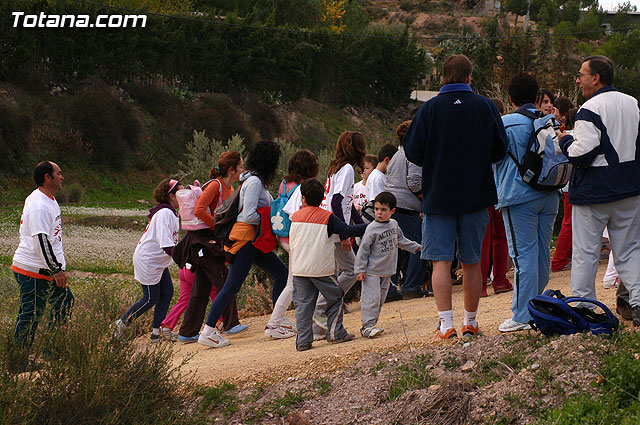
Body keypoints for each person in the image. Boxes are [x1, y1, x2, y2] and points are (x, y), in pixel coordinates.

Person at [403, 54, 507, 339]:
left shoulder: (430, 109)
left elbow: (412, 151)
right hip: (476, 195)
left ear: (442, 77)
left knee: (440, 261)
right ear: (470, 77)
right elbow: (500, 150)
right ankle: (470, 322)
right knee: (472, 261)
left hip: (438, 196)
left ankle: (446, 324)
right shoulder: (486, 107)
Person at [559, 55, 640, 327]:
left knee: (586, 252)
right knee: (629, 250)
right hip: (629, 188)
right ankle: (638, 303)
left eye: (581, 74)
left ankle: (583, 308)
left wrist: (565, 139)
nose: (578, 78)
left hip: (594, 191)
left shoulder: (589, 109)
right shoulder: (633, 104)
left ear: (596, 78)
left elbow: (581, 154)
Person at [198, 141, 289, 348]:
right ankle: (209, 330)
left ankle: (277, 321)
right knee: (232, 286)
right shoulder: (255, 182)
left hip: (252, 241)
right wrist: (267, 219)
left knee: (282, 274)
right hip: (247, 240)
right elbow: (248, 215)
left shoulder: (252, 180)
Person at [493, 74, 559, 332]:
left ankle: (522, 316)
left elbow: (493, 159)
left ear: (510, 99)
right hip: (550, 194)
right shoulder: (548, 120)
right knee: (542, 254)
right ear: (536, 97)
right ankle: (537, 306)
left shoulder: (505, 124)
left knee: (523, 257)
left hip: (518, 196)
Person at [168, 151, 246, 343]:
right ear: (231, 169)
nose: (243, 170)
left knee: (201, 288)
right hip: (202, 242)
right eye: (241, 167)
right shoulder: (215, 186)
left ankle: (187, 332)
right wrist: (218, 228)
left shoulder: (229, 187)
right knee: (224, 279)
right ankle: (231, 324)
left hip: (206, 242)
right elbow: (199, 210)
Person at [289, 178, 367, 351]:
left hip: (299, 268)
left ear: (303, 199)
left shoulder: (296, 216)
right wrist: (369, 226)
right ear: (323, 197)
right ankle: (335, 333)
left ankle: (303, 341)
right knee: (335, 296)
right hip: (321, 269)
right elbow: (347, 231)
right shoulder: (327, 217)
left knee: (303, 306)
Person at [12, 161, 74, 348]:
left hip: (44, 268)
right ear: (48, 177)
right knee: (31, 314)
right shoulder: (39, 205)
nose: (62, 177)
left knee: (65, 302)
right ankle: (19, 359)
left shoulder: (48, 200)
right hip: (33, 269)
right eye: (59, 173)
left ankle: (51, 352)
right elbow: (41, 240)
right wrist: (56, 269)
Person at [313, 131, 367, 338]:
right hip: (335, 229)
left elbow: (347, 202)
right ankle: (320, 311)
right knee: (352, 270)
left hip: (328, 226)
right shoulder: (345, 170)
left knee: (332, 274)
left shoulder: (335, 168)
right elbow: (336, 202)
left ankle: (318, 325)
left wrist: (361, 224)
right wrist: (344, 233)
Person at [114, 178, 182, 341]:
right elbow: (166, 245)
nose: (184, 195)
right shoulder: (164, 213)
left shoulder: (172, 212)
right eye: (180, 192)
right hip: (148, 260)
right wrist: (184, 259)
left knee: (167, 292)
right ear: (171, 196)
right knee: (151, 298)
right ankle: (121, 323)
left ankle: (156, 332)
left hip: (157, 260)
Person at [265, 149, 319, 339]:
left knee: (295, 281)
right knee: (293, 284)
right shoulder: (303, 188)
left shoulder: (285, 183)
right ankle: (273, 324)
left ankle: (281, 321)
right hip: (296, 238)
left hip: (283, 237)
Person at [354, 192, 421, 338]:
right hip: (371, 272)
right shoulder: (371, 229)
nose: (379, 213)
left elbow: (401, 240)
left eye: (383, 210)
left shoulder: (394, 224)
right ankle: (367, 326)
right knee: (370, 299)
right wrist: (360, 270)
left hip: (387, 271)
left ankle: (372, 324)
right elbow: (363, 250)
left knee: (379, 300)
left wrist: (416, 247)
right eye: (377, 209)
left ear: (392, 211)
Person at [384, 120, 427, 301]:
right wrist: (424, 198)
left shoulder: (397, 154)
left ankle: (391, 289)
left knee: (395, 247)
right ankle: (411, 286)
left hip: (392, 203)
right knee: (420, 245)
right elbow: (414, 181)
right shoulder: (413, 154)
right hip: (406, 206)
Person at [480, 98, 513, 298]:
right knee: (501, 237)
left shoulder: (477, 132)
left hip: (483, 190)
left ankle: (482, 283)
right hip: (501, 189)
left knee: (483, 240)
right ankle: (499, 279)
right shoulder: (503, 131)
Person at [551, 107, 577, 273]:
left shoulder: (563, 134)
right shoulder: (573, 137)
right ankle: (559, 260)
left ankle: (566, 255)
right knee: (569, 223)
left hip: (564, 185)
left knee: (570, 222)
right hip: (571, 187)